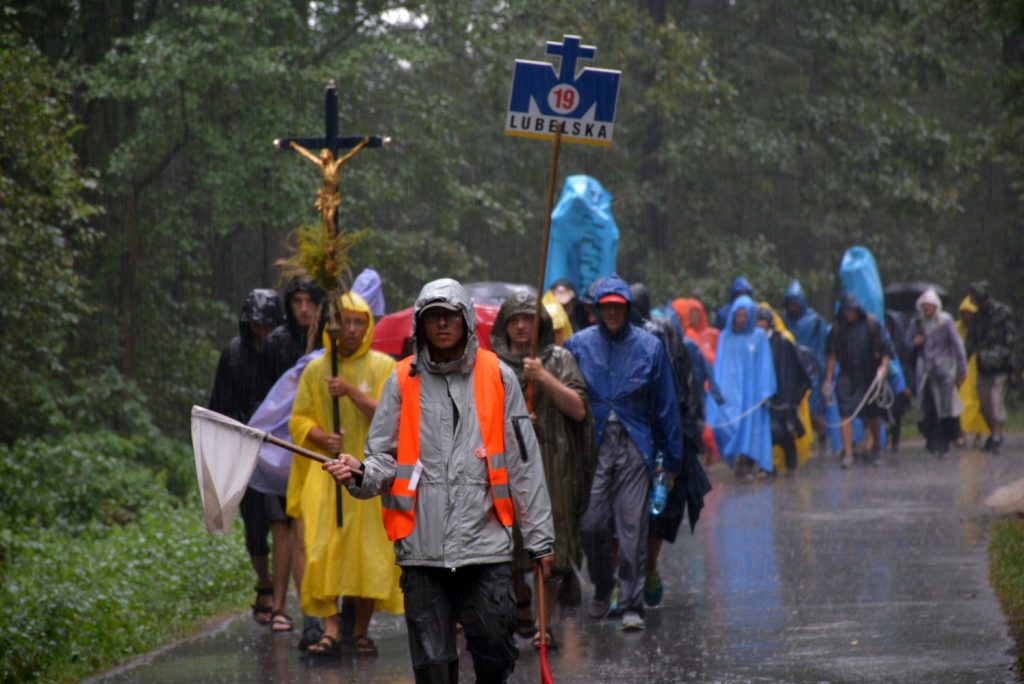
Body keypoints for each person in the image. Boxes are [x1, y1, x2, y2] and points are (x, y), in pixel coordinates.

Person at [323, 278, 555, 683]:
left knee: (496, 651)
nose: (442, 324)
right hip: (421, 548)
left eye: (449, 315)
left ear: (465, 319)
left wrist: (540, 539)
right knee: (432, 667)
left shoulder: (499, 378)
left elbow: (524, 463)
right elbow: (382, 458)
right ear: (421, 325)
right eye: (433, 317)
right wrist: (360, 473)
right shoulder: (400, 381)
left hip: (485, 548)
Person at [565, 275, 682, 632]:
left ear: (628, 308)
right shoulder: (578, 345)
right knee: (591, 523)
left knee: (633, 527)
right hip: (594, 444)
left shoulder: (650, 346)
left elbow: (666, 406)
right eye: (606, 306)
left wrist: (671, 461)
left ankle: (632, 604)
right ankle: (603, 583)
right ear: (596, 310)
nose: (613, 312)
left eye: (619, 306)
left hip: (635, 443)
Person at [288, 291, 401, 657]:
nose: (351, 330)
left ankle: (360, 629)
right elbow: (299, 419)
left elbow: (391, 416)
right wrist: (323, 436)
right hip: (325, 475)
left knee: (366, 555)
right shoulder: (316, 369)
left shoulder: (384, 367)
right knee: (324, 552)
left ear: (368, 327)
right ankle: (331, 629)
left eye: (358, 322)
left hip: (368, 476)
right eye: (345, 322)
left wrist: (350, 392)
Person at [490, 292, 594, 648]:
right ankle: (521, 605)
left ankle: (542, 622)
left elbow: (579, 409)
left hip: (554, 466)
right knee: (512, 545)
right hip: (509, 467)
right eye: (515, 319)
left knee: (550, 546)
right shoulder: (493, 366)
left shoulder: (559, 359)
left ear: (542, 324)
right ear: (505, 325)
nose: (522, 326)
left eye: (529, 319)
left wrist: (543, 378)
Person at [207, 289, 287, 628]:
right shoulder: (234, 354)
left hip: (279, 448)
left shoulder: (282, 351)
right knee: (254, 524)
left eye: (267, 324)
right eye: (256, 324)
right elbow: (219, 403)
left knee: (281, 518)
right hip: (243, 447)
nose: (262, 331)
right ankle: (263, 581)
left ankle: (281, 592)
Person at [630, 283, 711, 609]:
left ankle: (648, 568)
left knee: (660, 510)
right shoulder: (606, 340)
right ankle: (628, 576)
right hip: (630, 430)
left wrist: (685, 434)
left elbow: (683, 384)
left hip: (665, 427)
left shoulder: (663, 334)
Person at [707, 296, 776, 482]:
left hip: (752, 392)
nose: (742, 320)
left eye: (746, 315)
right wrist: (717, 391)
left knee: (752, 427)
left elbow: (765, 365)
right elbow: (720, 364)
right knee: (725, 424)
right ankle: (736, 458)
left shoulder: (759, 337)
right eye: (739, 315)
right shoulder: (726, 337)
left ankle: (747, 462)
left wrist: (765, 390)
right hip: (731, 391)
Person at [824, 294, 895, 468]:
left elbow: (886, 348)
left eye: (852, 311)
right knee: (845, 414)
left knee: (873, 414)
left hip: (870, 374)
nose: (849, 314)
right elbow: (832, 355)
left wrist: (883, 367)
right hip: (847, 375)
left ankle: (876, 447)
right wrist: (828, 379)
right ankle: (848, 453)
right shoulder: (837, 329)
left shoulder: (871, 325)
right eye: (846, 311)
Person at [906, 289, 967, 457]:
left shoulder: (945, 321)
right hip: (925, 371)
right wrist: (915, 343)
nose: (927, 310)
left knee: (946, 408)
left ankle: (945, 440)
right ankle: (932, 439)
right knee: (928, 407)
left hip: (944, 371)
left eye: (930, 306)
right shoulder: (918, 323)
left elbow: (957, 346)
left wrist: (962, 370)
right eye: (924, 307)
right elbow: (908, 345)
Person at [756, 306, 812, 473]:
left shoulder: (782, 341)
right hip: (763, 397)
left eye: (763, 321)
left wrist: (792, 396)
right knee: (766, 432)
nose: (760, 325)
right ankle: (767, 466)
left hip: (783, 397)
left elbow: (794, 368)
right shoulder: (754, 344)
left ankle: (791, 463)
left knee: (786, 431)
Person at [966, 281, 1016, 454]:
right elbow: (971, 342)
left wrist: (1002, 354)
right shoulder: (977, 318)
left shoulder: (1002, 312)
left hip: (1001, 366)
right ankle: (994, 433)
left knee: (995, 400)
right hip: (983, 365)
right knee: (985, 404)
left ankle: (996, 436)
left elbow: (1010, 338)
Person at [782, 280, 830, 440]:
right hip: (791, 371)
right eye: (790, 304)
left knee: (814, 408)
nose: (792, 308)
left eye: (795, 304)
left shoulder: (816, 321)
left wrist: (824, 375)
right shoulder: (784, 322)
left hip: (812, 371)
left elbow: (822, 348)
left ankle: (821, 436)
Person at [264, 276, 326, 378]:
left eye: (310, 301)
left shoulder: (330, 339)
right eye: (297, 301)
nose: (304, 309)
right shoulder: (276, 343)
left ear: (319, 304)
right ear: (290, 305)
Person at [955, 296, 990, 447]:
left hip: (978, 368)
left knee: (979, 403)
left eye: (970, 313)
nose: (967, 316)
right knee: (961, 402)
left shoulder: (983, 329)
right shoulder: (956, 327)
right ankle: (961, 434)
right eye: (964, 312)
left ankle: (978, 435)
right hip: (962, 369)